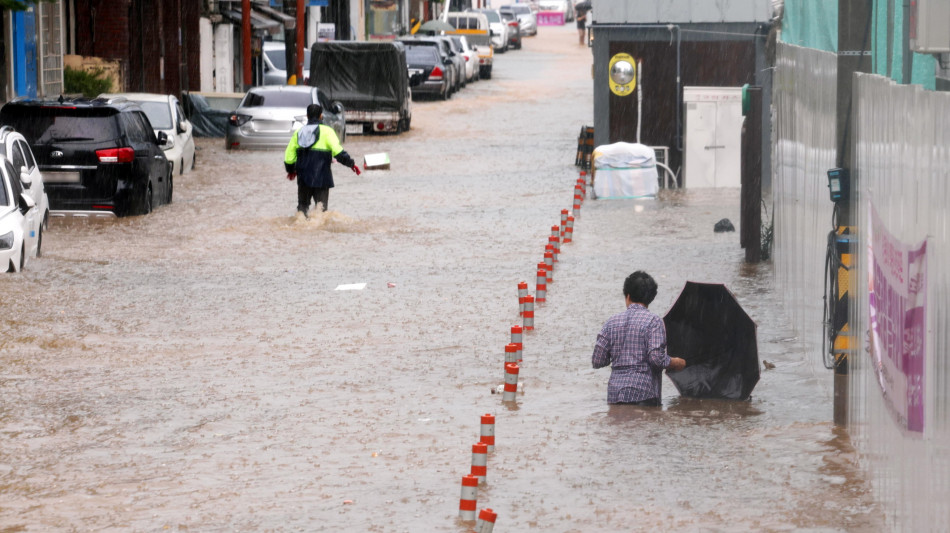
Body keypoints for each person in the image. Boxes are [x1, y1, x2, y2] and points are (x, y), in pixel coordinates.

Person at [591, 271, 686, 405]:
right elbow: (656, 359)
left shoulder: (611, 322)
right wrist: (675, 362)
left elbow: (597, 360)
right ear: (651, 298)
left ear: (627, 296)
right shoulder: (654, 321)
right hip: (644, 394)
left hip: (615, 394)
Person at [284, 103, 360, 217]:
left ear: (307, 116)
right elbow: (338, 152)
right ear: (321, 116)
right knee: (321, 212)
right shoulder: (327, 131)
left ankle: (301, 230)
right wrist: (351, 164)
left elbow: (289, 157)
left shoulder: (298, 133)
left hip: (303, 178)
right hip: (322, 178)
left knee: (302, 209)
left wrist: (291, 170)